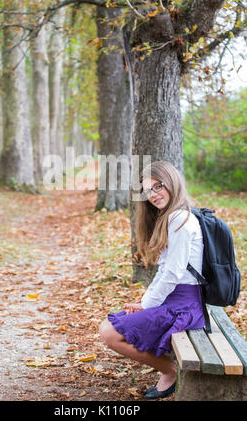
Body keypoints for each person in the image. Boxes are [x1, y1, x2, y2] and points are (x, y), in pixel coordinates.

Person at [99, 160, 205, 400]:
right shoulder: (173, 216)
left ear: (172, 182)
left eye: (158, 186)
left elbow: (173, 273)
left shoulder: (179, 218)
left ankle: (169, 370)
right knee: (110, 328)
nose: (153, 195)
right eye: (147, 190)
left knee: (109, 332)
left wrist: (147, 304)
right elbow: (165, 270)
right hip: (176, 300)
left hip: (184, 305)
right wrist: (145, 300)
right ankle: (168, 369)